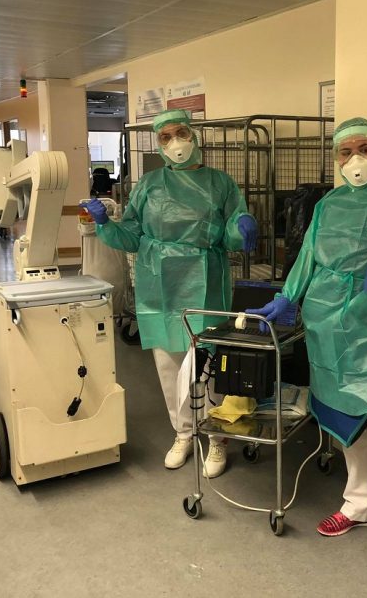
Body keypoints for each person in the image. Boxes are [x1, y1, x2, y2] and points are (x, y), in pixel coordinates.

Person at [248, 117, 367, 594]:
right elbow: (308, 255)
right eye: (344, 152)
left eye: (363, 148)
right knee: (347, 426)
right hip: (328, 326)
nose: (355, 159)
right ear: (335, 159)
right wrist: (286, 296)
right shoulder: (328, 204)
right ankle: (359, 504)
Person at [81, 109, 257, 478]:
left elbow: (231, 234)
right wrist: (105, 224)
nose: (175, 142)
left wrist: (242, 226)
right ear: (159, 144)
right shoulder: (148, 185)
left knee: (207, 364)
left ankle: (217, 438)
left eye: (180, 133)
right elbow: (132, 236)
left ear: (194, 135)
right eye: (166, 137)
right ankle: (183, 432)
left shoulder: (220, 183)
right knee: (168, 364)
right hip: (158, 282)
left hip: (205, 279)